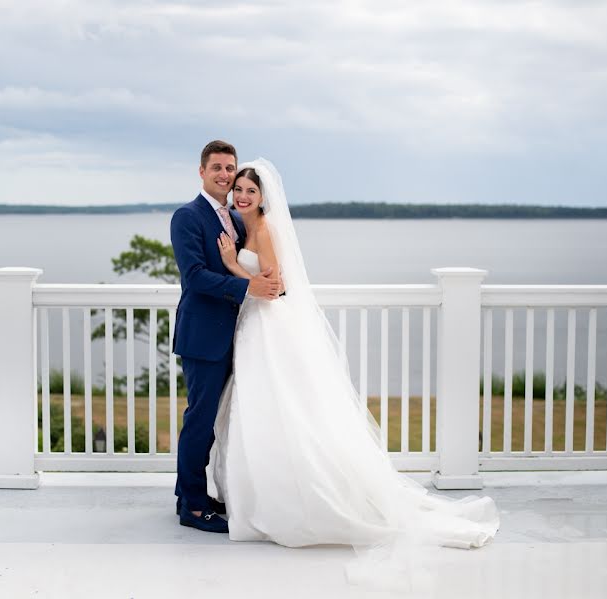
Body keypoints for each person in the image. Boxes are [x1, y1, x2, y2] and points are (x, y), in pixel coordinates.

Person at [207, 159, 499, 573]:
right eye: (238, 189)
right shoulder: (243, 227)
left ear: (263, 196)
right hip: (254, 327)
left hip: (269, 324)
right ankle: (258, 495)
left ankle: (295, 500)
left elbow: (277, 288)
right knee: (256, 407)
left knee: (280, 405)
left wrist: (233, 265)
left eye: (249, 191)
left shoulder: (265, 228)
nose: (241, 196)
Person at [169, 141, 281, 533]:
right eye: (216, 167)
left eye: (229, 167)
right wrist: (248, 287)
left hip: (238, 336)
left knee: (219, 420)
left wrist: (245, 276)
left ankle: (194, 493)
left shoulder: (236, 216)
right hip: (202, 335)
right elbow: (195, 276)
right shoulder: (187, 216)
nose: (224, 174)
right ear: (201, 171)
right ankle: (193, 508)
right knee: (199, 420)